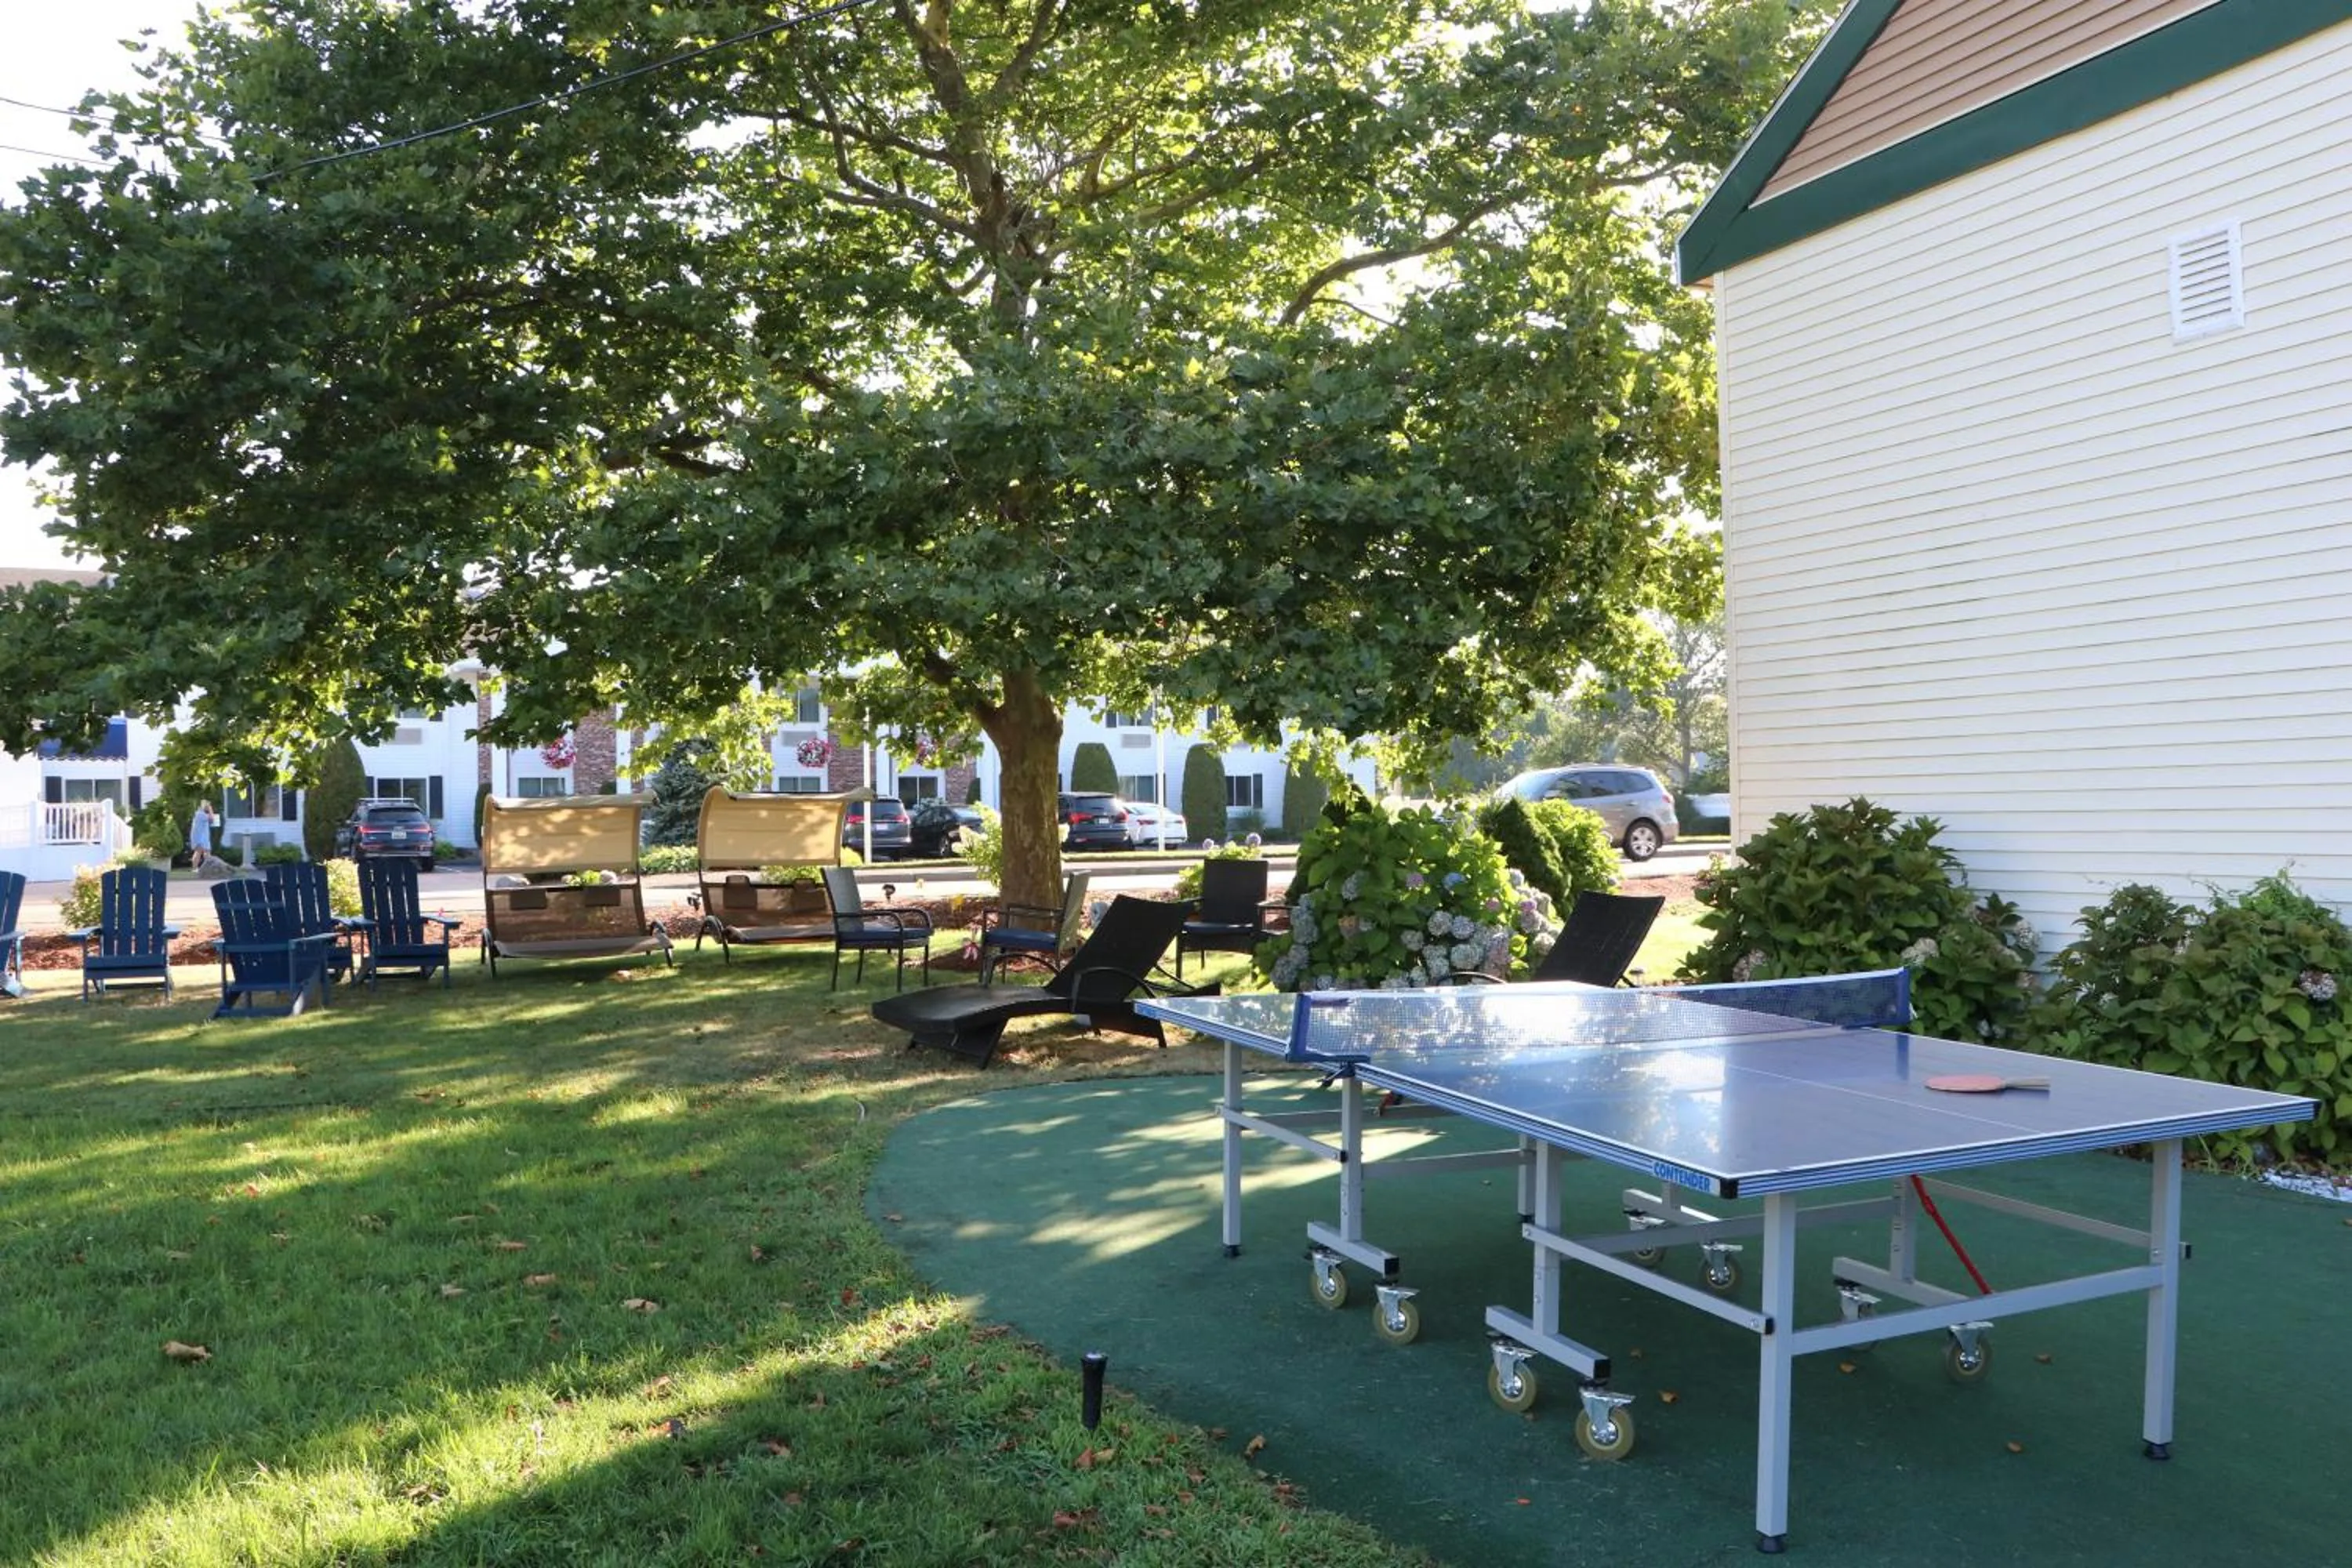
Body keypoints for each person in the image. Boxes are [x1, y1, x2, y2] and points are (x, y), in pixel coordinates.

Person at [188, 800, 216, 869]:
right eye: (207, 806)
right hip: (199, 837)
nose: (208, 807)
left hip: (204, 837)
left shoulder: (202, 814)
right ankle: (194, 868)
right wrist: (210, 810)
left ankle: (208, 869)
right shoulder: (200, 814)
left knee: (207, 852)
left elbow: (211, 821)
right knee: (198, 851)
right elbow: (212, 819)